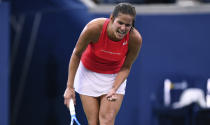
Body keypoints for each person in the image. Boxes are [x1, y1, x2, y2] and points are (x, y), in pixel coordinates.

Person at [64, 2, 142, 125]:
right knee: (94, 122)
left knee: (107, 120)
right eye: (120, 23)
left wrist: (114, 88)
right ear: (111, 18)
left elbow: (126, 66)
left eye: (127, 25)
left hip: (114, 77)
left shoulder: (135, 39)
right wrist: (69, 87)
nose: (123, 28)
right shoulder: (94, 28)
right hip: (88, 75)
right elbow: (77, 54)